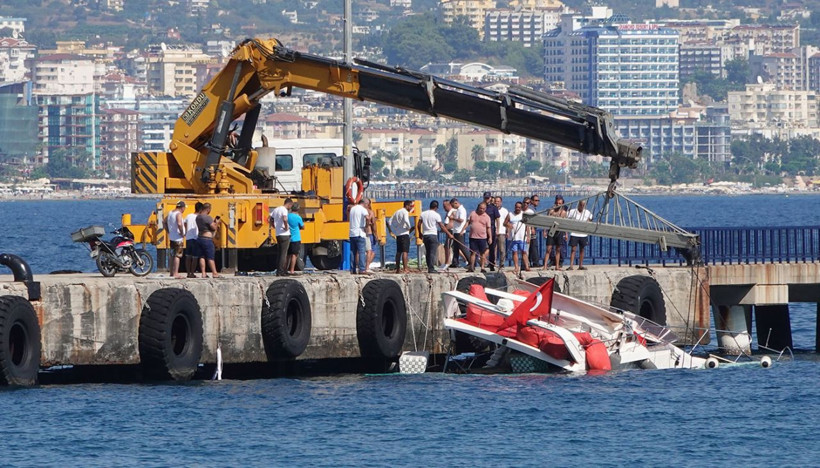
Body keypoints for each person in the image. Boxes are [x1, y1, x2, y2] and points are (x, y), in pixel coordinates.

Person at [417, 200, 453, 274]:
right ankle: (431, 268)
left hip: (425, 235)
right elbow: (442, 226)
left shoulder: (423, 214)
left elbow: (418, 224)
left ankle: (429, 267)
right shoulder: (436, 215)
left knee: (428, 252)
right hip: (433, 235)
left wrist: (420, 233)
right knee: (432, 252)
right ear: (436, 207)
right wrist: (449, 233)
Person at [388, 200, 414, 273]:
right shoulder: (405, 212)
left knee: (398, 252)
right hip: (405, 233)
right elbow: (406, 220)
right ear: (407, 206)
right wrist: (408, 227)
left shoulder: (397, 212)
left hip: (398, 234)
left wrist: (395, 228)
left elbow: (390, 222)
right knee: (405, 251)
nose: (411, 208)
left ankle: (398, 269)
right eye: (410, 206)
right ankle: (405, 268)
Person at [567, 199, 594, 270]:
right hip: (574, 233)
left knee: (582, 249)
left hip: (583, 234)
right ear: (578, 204)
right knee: (573, 249)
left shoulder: (587, 212)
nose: (582, 206)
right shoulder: (573, 211)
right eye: (581, 205)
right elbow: (566, 216)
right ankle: (571, 265)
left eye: (583, 205)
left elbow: (591, 218)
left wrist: (588, 222)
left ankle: (580, 265)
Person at [543, 194, 568, 270]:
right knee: (548, 249)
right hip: (551, 231)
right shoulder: (551, 211)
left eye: (560, 204)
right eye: (557, 203)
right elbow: (546, 221)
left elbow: (565, 223)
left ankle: (557, 265)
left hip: (559, 232)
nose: (558, 205)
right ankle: (545, 265)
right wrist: (544, 231)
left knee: (558, 249)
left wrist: (566, 234)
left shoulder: (563, 212)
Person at [467, 202, 493, 273]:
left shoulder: (487, 217)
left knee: (482, 253)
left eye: (484, 209)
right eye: (481, 208)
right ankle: (471, 267)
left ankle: (482, 267)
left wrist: (490, 237)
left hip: (482, 237)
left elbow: (488, 228)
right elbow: (468, 222)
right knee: (472, 252)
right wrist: (463, 230)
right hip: (473, 236)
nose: (482, 210)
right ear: (478, 207)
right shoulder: (473, 213)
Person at [195, 203, 219, 278]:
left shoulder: (198, 217)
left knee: (202, 257)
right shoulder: (207, 218)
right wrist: (216, 223)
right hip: (207, 239)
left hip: (199, 238)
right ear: (208, 209)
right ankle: (214, 273)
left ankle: (203, 273)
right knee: (210, 257)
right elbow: (213, 228)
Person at [270, 198, 292, 276]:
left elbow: (270, 218)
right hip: (284, 234)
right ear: (289, 204)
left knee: (279, 253)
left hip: (278, 234)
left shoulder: (276, 209)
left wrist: (274, 226)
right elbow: (285, 219)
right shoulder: (284, 210)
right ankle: (281, 271)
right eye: (290, 206)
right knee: (283, 254)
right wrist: (286, 227)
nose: (290, 208)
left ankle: (278, 270)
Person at [506, 201, 529, 275]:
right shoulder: (510, 214)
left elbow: (527, 226)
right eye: (516, 207)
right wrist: (509, 225)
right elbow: (505, 223)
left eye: (519, 207)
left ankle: (527, 266)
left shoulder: (523, 215)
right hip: (513, 237)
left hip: (522, 237)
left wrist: (528, 236)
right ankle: (516, 267)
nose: (517, 208)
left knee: (524, 252)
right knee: (514, 252)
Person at [349, 198, 370, 274]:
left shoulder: (352, 209)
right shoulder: (363, 209)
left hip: (352, 233)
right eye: (367, 205)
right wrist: (366, 226)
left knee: (352, 252)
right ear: (365, 203)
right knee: (361, 252)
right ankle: (362, 269)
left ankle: (352, 269)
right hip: (360, 232)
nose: (368, 206)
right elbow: (367, 218)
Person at [448, 198, 470, 268]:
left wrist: (453, 218)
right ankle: (455, 262)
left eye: (452, 205)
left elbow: (461, 220)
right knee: (455, 247)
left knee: (462, 247)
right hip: (456, 231)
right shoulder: (458, 210)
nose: (452, 207)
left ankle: (470, 261)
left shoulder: (461, 210)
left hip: (459, 231)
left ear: (456, 203)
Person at [167, 201, 186, 279]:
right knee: (177, 255)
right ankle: (176, 273)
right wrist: (182, 232)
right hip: (178, 238)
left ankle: (171, 272)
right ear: (182, 208)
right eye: (184, 208)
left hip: (172, 237)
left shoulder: (170, 213)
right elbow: (179, 223)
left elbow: (164, 222)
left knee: (172, 255)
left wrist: (168, 231)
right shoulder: (178, 214)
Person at [184, 201, 203, 278]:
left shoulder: (189, 216)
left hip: (188, 238)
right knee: (195, 257)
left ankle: (188, 273)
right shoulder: (200, 218)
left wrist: (186, 231)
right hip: (196, 238)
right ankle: (192, 272)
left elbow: (184, 224)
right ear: (201, 209)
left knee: (188, 256)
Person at [482, 191, 500, 271]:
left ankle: (492, 264)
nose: (487, 199)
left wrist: (498, 230)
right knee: (482, 248)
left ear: (490, 198)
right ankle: (482, 265)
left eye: (488, 198)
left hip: (492, 229)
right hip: (483, 230)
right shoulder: (481, 207)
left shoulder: (493, 208)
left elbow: (497, 219)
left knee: (492, 248)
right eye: (485, 198)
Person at [287, 203, 305, 274]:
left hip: (288, 237)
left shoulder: (288, 216)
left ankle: (285, 269)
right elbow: (303, 227)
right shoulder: (298, 217)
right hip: (296, 238)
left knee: (287, 255)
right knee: (294, 255)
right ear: (298, 209)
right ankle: (292, 270)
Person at [495, 196, 508, 271]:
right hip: (494, 231)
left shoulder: (504, 211)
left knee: (502, 249)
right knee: (493, 249)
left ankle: (502, 263)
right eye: (496, 201)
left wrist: (507, 231)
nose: (497, 203)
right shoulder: (492, 210)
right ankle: (493, 262)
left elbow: (507, 222)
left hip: (501, 232)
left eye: (498, 201)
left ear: (501, 202)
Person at [528, 193, 541, 267]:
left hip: (532, 230)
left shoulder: (533, 209)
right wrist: (532, 228)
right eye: (536, 200)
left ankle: (530, 262)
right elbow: (530, 220)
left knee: (531, 247)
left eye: (538, 200)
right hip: (531, 231)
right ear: (532, 201)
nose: (537, 202)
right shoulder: (530, 209)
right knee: (534, 246)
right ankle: (535, 262)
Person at [364, 198, 376, 269]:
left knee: (360, 251)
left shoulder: (358, 211)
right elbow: (373, 224)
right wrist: (376, 234)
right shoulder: (370, 212)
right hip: (369, 233)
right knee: (372, 251)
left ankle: (360, 266)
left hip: (361, 233)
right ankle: (367, 266)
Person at [442, 199, 453, 269]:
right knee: (455, 247)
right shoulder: (448, 212)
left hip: (450, 231)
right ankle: (466, 260)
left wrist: (445, 228)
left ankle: (447, 262)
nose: (444, 208)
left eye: (445, 206)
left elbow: (451, 224)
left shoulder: (452, 212)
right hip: (447, 231)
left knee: (447, 247)